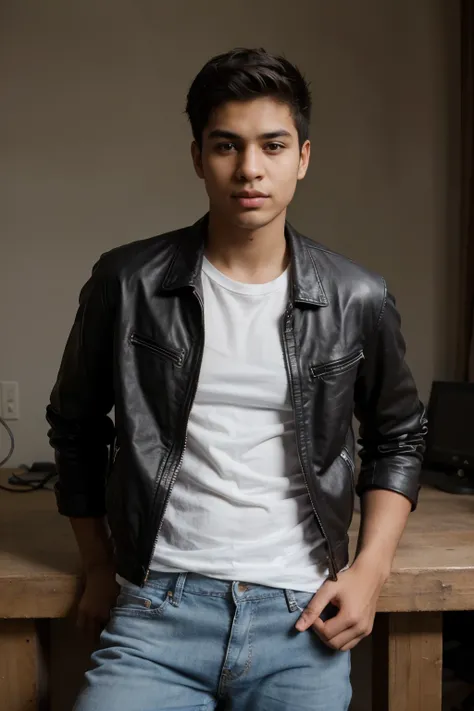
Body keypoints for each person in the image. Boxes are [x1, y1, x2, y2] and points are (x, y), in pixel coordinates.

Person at [46, 47, 427, 711]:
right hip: (157, 607)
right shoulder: (127, 282)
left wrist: (371, 569)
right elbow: (75, 424)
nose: (250, 168)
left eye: (272, 145)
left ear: (302, 157)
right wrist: (101, 565)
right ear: (198, 156)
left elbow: (399, 435)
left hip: (298, 614)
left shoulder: (356, 296)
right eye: (227, 145)